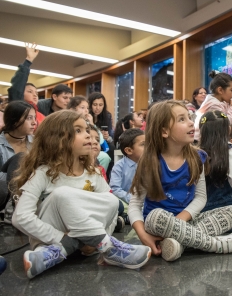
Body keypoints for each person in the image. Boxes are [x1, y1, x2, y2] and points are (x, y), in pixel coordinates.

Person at [11, 111, 151, 279]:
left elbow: (111, 211)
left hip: (88, 246)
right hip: (50, 239)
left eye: (86, 130)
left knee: (112, 200)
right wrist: (60, 237)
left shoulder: (93, 174)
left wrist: (99, 237)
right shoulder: (43, 173)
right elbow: (20, 217)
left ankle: (53, 255)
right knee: (62, 195)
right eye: (78, 130)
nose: (88, 136)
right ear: (57, 138)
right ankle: (107, 247)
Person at [128, 100, 232, 262]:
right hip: (157, 225)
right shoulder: (149, 161)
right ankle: (217, 245)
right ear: (164, 131)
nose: (190, 123)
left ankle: (178, 245)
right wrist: (143, 235)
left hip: (187, 221)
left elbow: (201, 198)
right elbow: (135, 205)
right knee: (156, 215)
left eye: (189, 117)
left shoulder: (197, 157)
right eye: (182, 119)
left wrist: (179, 223)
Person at [199, 111, 232, 232]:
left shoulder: (197, 154)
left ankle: (207, 230)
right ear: (229, 130)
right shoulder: (228, 152)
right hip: (229, 206)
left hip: (204, 209)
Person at [0, 101, 35, 215]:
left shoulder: (37, 143)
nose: (34, 122)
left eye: (34, 118)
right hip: (5, 203)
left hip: (33, 199)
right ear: (14, 120)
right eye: (29, 118)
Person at [68, 96, 111, 172]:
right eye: (82, 108)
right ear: (72, 110)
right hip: (73, 149)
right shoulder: (68, 123)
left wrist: (92, 124)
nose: (86, 111)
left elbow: (100, 141)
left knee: (104, 156)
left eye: (87, 108)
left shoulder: (87, 122)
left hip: (87, 147)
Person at [8, 43, 45, 126]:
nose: (35, 95)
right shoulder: (16, 110)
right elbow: (17, 87)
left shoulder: (42, 117)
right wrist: (28, 61)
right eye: (30, 91)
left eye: (36, 93)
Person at [194, 71, 232, 141]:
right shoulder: (214, 105)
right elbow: (223, 123)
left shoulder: (220, 102)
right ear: (220, 90)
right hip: (200, 141)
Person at [110, 128, 144, 205]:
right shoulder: (119, 166)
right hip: (127, 202)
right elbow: (115, 189)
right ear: (129, 150)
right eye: (143, 144)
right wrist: (135, 200)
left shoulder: (151, 164)